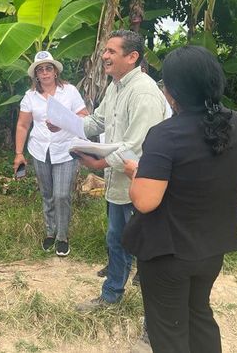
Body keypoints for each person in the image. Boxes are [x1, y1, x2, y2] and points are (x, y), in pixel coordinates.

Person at [124, 45, 237, 352]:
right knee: (199, 315)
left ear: (173, 91)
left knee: (169, 331)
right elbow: (236, 178)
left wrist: (136, 173)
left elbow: (145, 201)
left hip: (168, 251)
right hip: (212, 247)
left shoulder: (166, 134)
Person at [74, 30, 167, 310]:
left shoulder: (143, 92)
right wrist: (66, 124)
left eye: (111, 51)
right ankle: (115, 290)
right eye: (105, 50)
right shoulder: (115, 86)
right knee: (118, 239)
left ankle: (139, 302)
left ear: (132, 57)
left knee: (135, 242)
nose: (104, 55)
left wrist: (99, 163)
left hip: (139, 185)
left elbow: (136, 145)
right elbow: (97, 122)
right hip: (118, 182)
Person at [13, 51, 88, 256]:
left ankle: (62, 236)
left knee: (61, 195)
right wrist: (19, 153)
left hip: (65, 149)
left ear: (55, 72)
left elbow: (84, 115)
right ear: (36, 75)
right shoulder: (30, 96)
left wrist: (63, 122)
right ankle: (50, 232)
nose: (45, 73)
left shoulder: (69, 91)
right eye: (40, 70)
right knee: (47, 194)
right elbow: (22, 125)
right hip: (40, 150)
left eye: (48, 68)